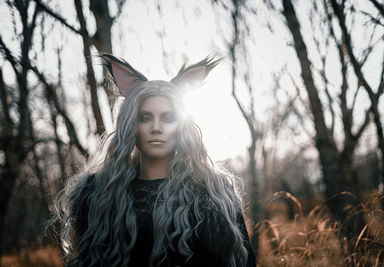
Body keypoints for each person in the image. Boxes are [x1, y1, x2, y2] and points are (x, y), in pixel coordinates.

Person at [53, 54, 256, 267]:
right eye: (145, 118)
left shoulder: (212, 191)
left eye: (168, 118)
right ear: (131, 124)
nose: (156, 127)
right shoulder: (96, 194)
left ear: (181, 126)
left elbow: (244, 261)